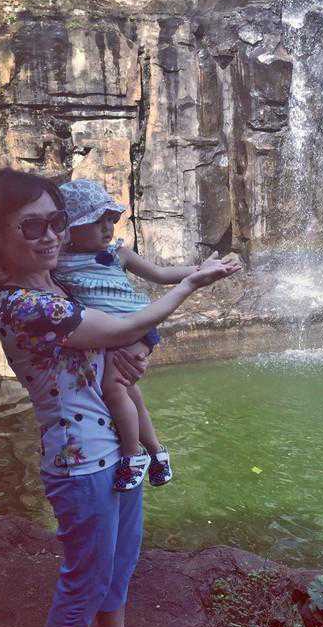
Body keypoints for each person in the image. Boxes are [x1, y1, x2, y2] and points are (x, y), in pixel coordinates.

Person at [0, 167, 241, 627]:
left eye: (56, 222)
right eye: (31, 226)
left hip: (116, 445)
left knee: (122, 557)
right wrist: (187, 286)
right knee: (85, 573)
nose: (50, 236)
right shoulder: (25, 304)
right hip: (78, 458)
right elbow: (114, 330)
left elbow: (107, 346)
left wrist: (127, 361)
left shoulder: (57, 282)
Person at [54, 179, 223, 492]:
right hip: (106, 334)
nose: (107, 228)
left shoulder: (118, 253)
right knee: (129, 391)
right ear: (69, 228)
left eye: (111, 219)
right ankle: (158, 453)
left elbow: (161, 274)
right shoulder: (58, 261)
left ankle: (133, 455)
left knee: (114, 386)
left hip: (138, 327)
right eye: (97, 221)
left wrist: (201, 270)